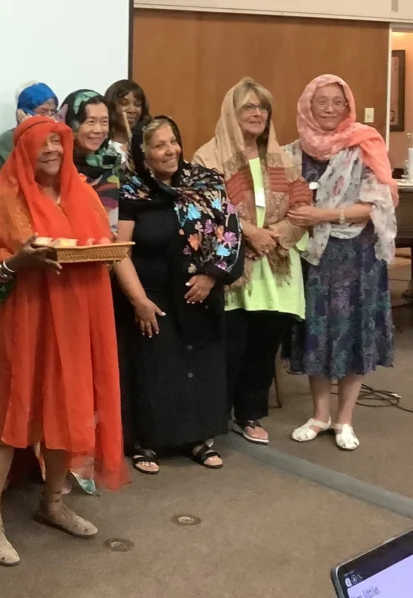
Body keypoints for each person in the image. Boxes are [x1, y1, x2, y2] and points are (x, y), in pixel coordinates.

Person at [0, 115, 128, 567]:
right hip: (26, 319)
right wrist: (18, 262)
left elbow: (102, 246)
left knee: (67, 405)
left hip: (75, 320)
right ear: (23, 151)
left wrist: (105, 251)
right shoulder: (3, 199)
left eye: (58, 143)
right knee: (11, 412)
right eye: (43, 144)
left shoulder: (85, 195)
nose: (52, 151)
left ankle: (53, 503)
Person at [116, 116, 244, 475]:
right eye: (159, 145)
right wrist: (138, 300)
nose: (170, 150)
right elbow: (119, 250)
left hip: (202, 294)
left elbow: (231, 232)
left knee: (200, 369)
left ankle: (199, 439)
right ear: (143, 152)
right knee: (156, 371)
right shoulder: (131, 190)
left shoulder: (207, 182)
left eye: (173, 141)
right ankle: (147, 441)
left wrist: (211, 276)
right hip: (152, 297)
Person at [194, 78, 311, 446]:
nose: (258, 113)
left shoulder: (282, 158)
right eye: (249, 107)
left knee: (264, 344)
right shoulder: (208, 157)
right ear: (232, 112)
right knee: (230, 344)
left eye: (263, 108)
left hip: (275, 266)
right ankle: (215, 417)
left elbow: (302, 204)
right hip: (232, 266)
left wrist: (274, 234)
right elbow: (206, 207)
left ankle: (249, 413)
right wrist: (249, 233)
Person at [284, 75, 397, 451]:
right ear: (307, 106)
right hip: (314, 258)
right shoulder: (292, 152)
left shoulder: (365, 144)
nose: (330, 109)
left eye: (338, 102)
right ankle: (320, 415)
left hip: (359, 258)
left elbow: (376, 205)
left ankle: (345, 419)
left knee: (353, 334)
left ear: (349, 106)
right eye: (321, 102)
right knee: (317, 333)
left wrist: (323, 215)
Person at [65, 89, 128, 232]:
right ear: (71, 124)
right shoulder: (56, 166)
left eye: (104, 122)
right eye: (90, 122)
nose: (99, 130)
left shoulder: (113, 163)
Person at [0, 81, 59, 190]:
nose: (50, 118)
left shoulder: (58, 138)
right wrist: (30, 132)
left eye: (53, 112)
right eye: (43, 112)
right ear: (23, 114)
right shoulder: (8, 140)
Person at [105, 79, 150, 148]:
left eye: (137, 104)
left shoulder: (147, 141)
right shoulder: (100, 141)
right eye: (124, 103)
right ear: (111, 106)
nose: (132, 110)